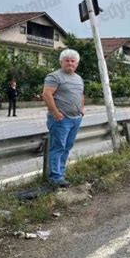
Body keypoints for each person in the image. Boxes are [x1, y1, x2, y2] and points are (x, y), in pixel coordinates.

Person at [42, 49, 85, 188]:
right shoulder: (54, 76)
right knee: (58, 147)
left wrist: (82, 109)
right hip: (61, 119)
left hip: (75, 119)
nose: (70, 63)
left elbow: (81, 95)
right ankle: (55, 177)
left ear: (77, 64)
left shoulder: (78, 78)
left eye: (73, 61)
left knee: (67, 147)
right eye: (67, 60)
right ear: (61, 62)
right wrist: (55, 113)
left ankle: (61, 173)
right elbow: (47, 94)